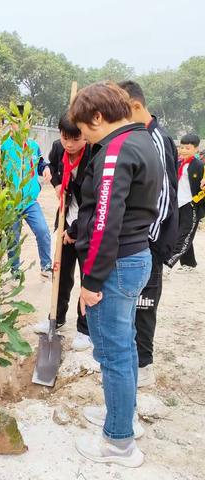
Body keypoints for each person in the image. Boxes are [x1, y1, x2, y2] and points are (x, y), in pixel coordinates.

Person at [70, 82, 162, 467]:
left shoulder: (116, 149)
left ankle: (118, 442)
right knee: (122, 346)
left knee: (114, 353)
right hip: (136, 256)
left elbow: (107, 219)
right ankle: (121, 417)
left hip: (116, 264)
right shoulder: (145, 141)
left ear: (97, 117)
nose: (85, 138)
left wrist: (90, 280)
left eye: (85, 129)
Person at [119, 80, 179, 388]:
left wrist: (148, 241)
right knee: (134, 304)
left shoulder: (156, 138)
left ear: (136, 107)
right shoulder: (142, 135)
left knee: (144, 305)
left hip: (151, 242)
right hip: (144, 241)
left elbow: (166, 196)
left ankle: (144, 365)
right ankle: (136, 361)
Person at [33, 113, 93, 351]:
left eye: (75, 139)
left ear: (85, 135)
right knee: (61, 275)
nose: (69, 144)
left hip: (87, 227)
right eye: (64, 137)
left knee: (87, 279)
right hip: (66, 219)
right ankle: (55, 320)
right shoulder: (59, 149)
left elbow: (95, 202)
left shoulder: (95, 154)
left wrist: (76, 230)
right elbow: (54, 168)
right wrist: (58, 183)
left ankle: (84, 329)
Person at [1, 108, 53, 279]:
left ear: (29, 123)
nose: (21, 125)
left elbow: (40, 164)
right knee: (12, 238)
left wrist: (45, 169)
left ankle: (46, 266)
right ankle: (15, 270)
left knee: (43, 231)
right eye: (17, 121)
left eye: (25, 121)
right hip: (10, 203)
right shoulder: (4, 147)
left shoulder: (33, 146)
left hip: (30, 201)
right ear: (11, 124)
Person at [165, 134, 205, 272]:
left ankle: (168, 263)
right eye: (181, 147)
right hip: (177, 204)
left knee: (183, 236)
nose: (183, 150)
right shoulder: (178, 163)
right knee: (183, 234)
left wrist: (195, 202)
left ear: (196, 149)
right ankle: (189, 264)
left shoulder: (199, 165)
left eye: (187, 148)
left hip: (191, 205)